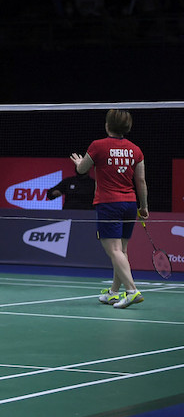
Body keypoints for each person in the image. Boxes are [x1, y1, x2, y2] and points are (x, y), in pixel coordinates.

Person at [70, 109, 148, 309]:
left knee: (114, 250)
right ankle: (114, 292)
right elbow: (141, 181)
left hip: (109, 204)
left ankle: (132, 291)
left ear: (107, 125)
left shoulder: (98, 146)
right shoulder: (136, 150)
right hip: (130, 204)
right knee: (121, 250)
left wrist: (79, 162)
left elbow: (82, 169)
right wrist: (144, 206)